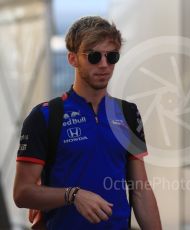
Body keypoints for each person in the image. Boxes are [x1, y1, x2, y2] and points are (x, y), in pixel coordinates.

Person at [13, 16, 162, 229]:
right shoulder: (45, 116)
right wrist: (72, 195)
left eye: (112, 57)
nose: (104, 65)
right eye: (93, 57)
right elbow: (22, 193)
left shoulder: (128, 113)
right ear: (72, 59)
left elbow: (141, 189)